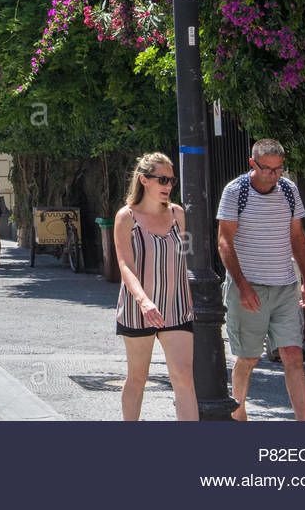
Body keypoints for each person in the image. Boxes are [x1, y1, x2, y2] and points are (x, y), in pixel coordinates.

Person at [217, 138, 305, 421]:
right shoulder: (236, 191)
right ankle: (239, 415)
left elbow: (297, 236)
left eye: (278, 169)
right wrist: (242, 286)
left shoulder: (289, 189)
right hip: (249, 286)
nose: (273, 175)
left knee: (293, 355)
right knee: (248, 358)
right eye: (267, 169)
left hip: (285, 286)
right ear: (252, 163)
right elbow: (225, 242)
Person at [113, 153, 197, 421]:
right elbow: (125, 265)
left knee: (184, 378)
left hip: (176, 306)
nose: (168, 185)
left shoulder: (178, 214)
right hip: (139, 309)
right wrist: (144, 301)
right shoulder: (126, 217)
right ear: (144, 180)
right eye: (162, 179)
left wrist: (190, 297)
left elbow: (185, 258)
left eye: (171, 180)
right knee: (138, 378)